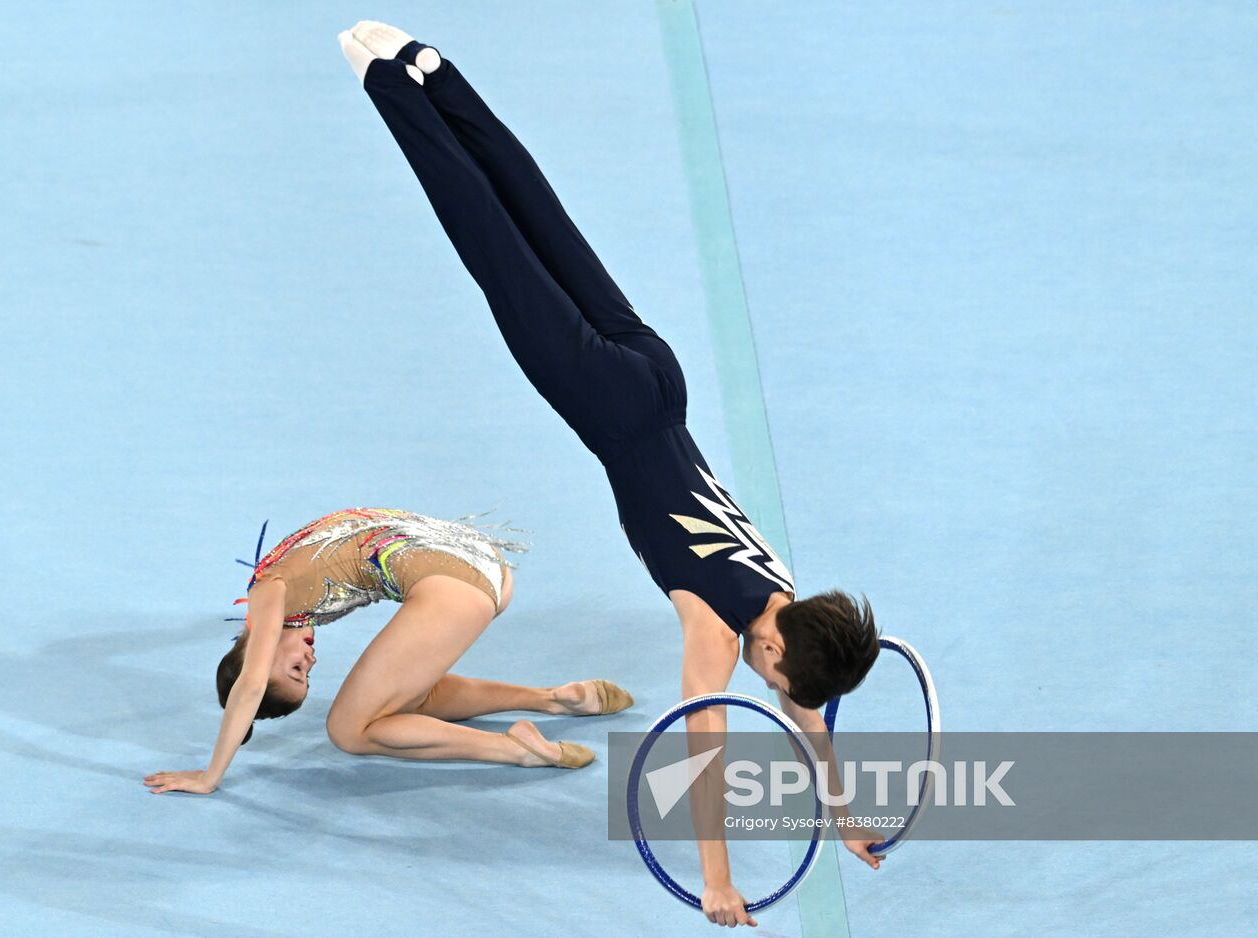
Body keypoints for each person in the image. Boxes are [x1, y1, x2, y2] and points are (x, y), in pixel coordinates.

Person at [338, 22, 884, 927]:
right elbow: (705, 753)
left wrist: (844, 816)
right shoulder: (714, 627)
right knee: (494, 248)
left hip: (661, 377)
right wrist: (716, 879)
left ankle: (435, 72)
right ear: (776, 649)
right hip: (607, 406)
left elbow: (811, 719)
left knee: (546, 224)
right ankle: (388, 87)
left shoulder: (783, 590)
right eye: (772, 678)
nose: (762, 680)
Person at [144, 508, 635, 796]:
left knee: (347, 730)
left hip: (456, 585)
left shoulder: (266, 595)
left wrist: (211, 775)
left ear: (254, 654)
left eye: (294, 670)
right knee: (401, 698)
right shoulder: (284, 588)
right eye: (307, 676)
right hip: (485, 568)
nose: (310, 661)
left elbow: (250, 686)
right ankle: (558, 699)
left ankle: (516, 750)